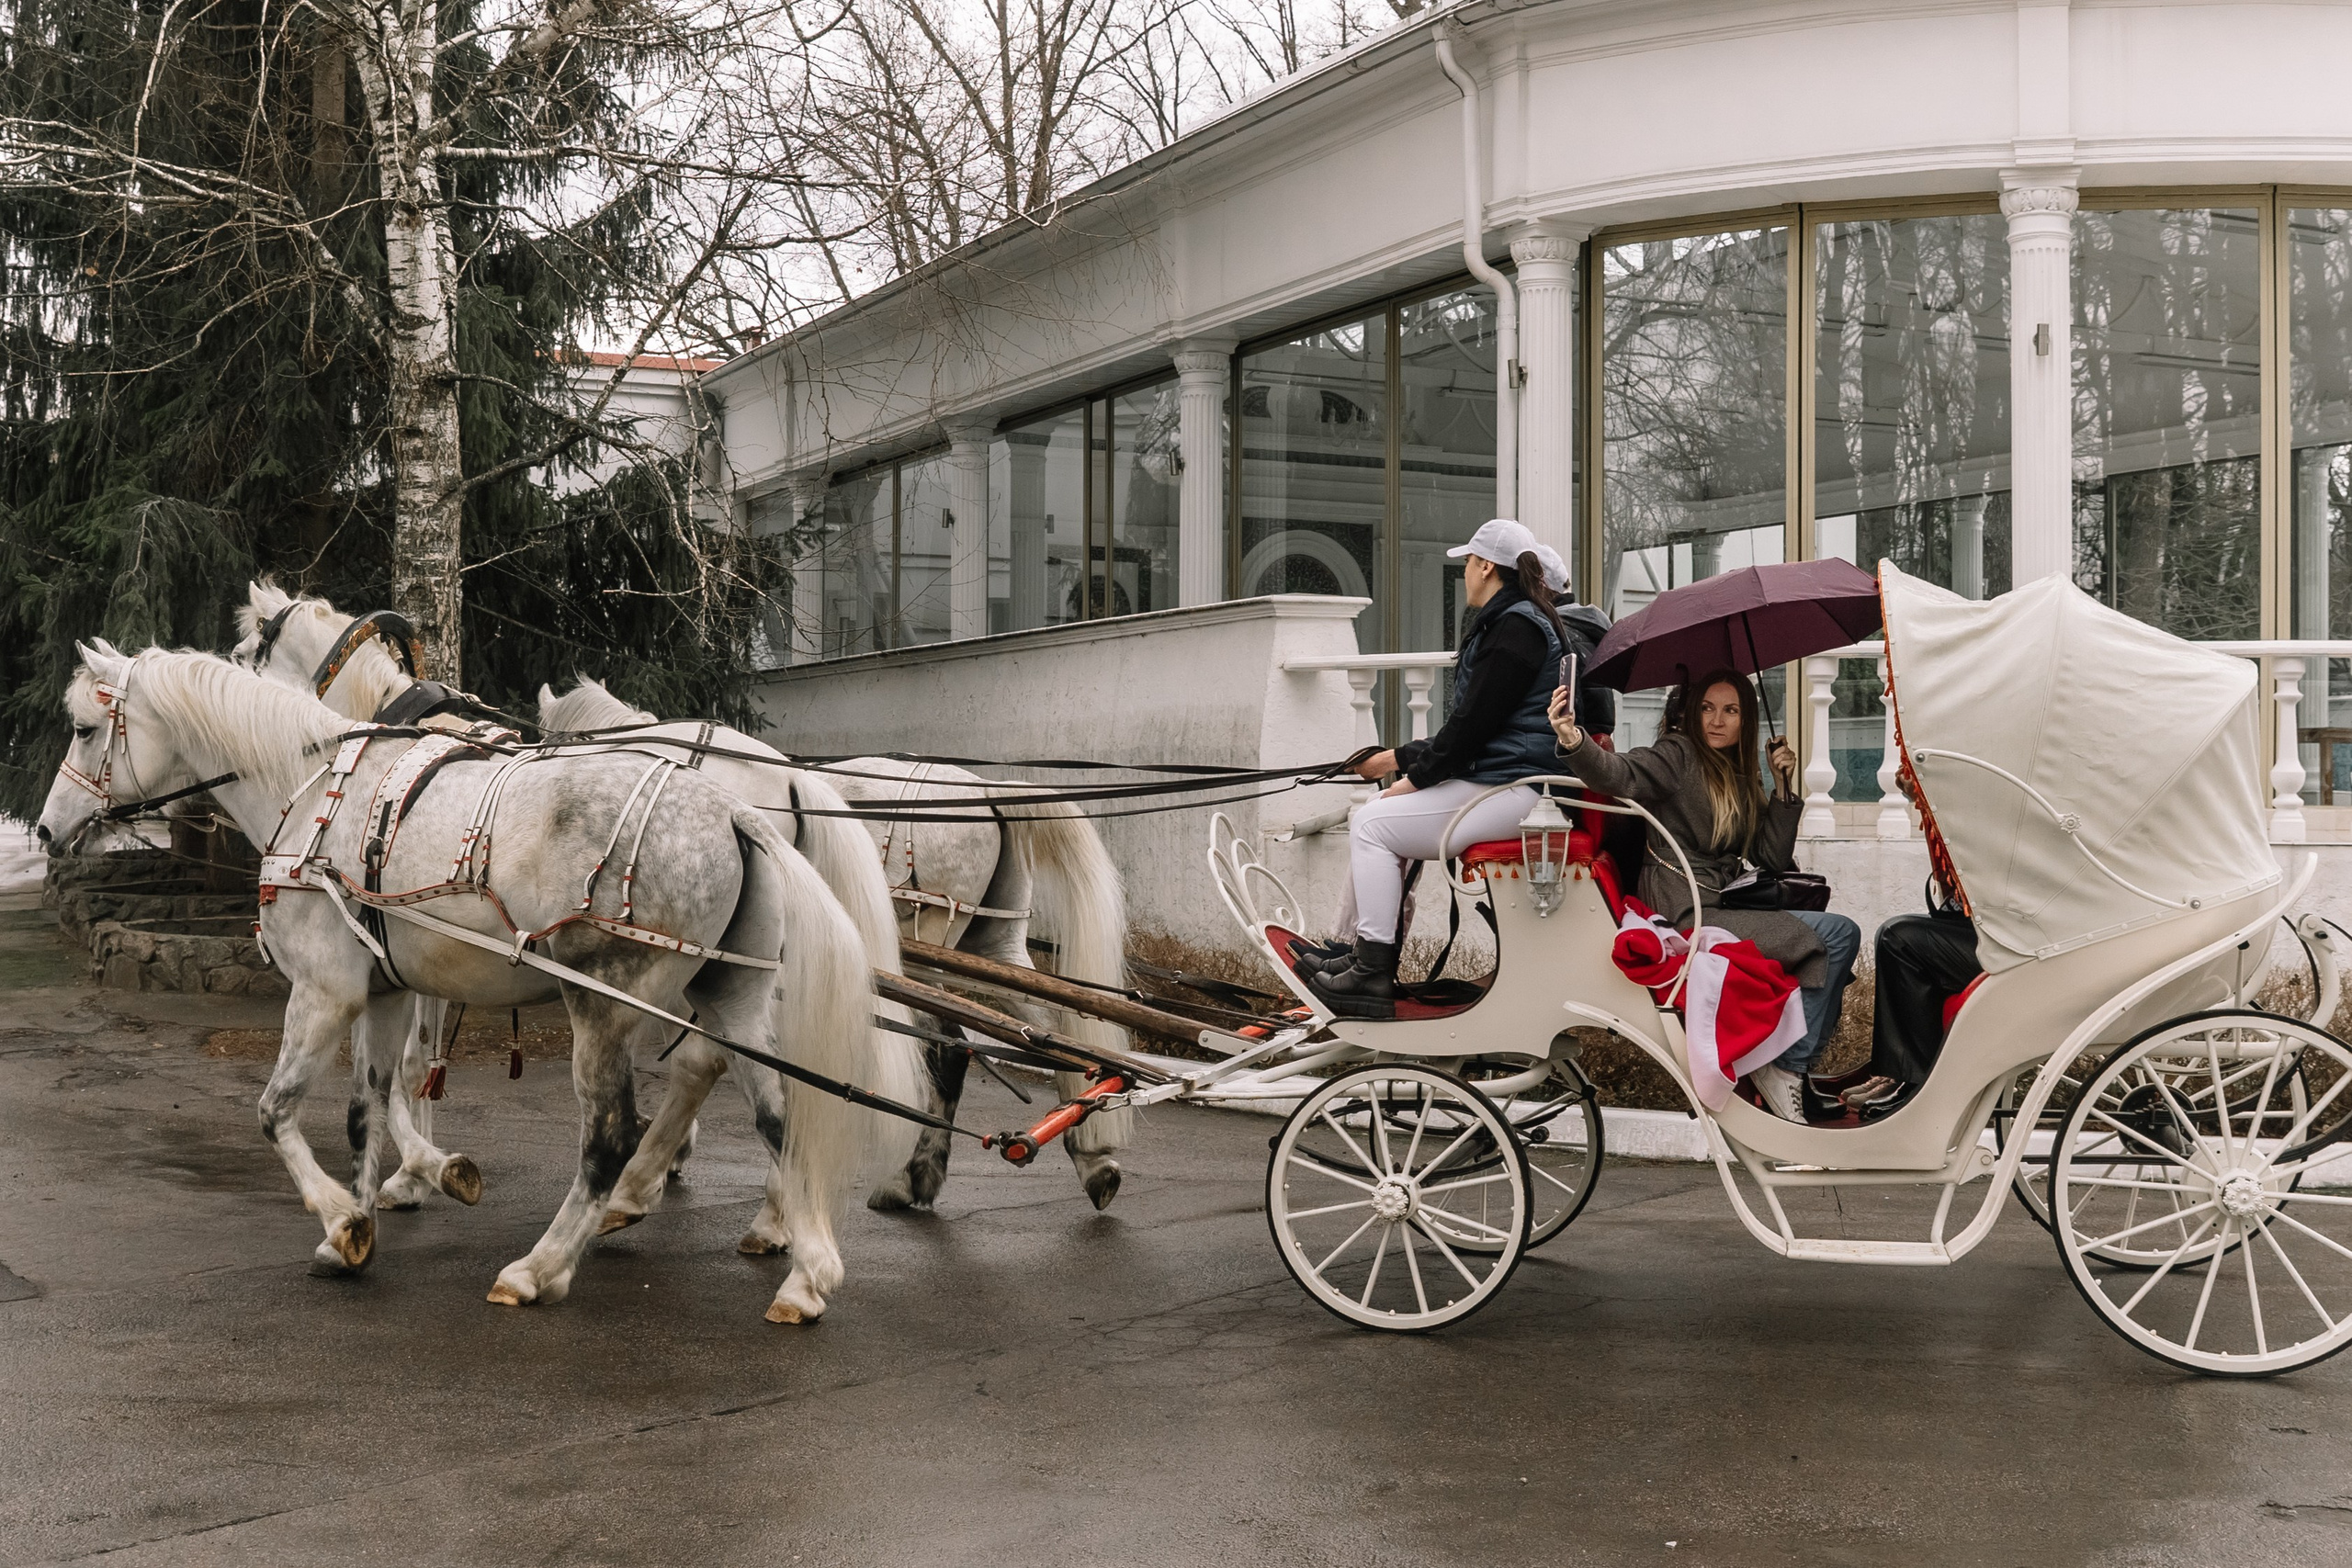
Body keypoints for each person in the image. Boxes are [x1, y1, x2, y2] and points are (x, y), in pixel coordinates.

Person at [1304, 519, 1600, 1019]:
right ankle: (1360, 953)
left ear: (1487, 566)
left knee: (1372, 824)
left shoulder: (1516, 626)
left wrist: (1413, 778)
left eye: (1468, 562)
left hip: (1520, 791)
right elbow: (1474, 725)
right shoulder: (1517, 620)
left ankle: (1371, 973)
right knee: (1375, 813)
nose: (1464, 572)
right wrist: (1403, 763)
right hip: (1510, 782)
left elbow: (1470, 728)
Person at [1547, 671, 1860, 1122]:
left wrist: (1782, 786)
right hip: (1685, 911)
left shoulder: (1736, 769)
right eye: (1708, 708)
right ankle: (1785, 1069)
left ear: (1745, 720)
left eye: (1730, 711)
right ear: (1692, 713)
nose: (1717, 720)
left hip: (1724, 903)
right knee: (1835, 935)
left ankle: (1793, 1073)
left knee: (1835, 938)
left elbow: (1770, 856)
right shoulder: (1677, 754)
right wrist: (1573, 739)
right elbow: (1621, 774)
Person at [1835, 776, 1981, 1114]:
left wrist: (1932, 797)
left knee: (1899, 939)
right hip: (1986, 926)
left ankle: (1912, 1080)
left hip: (2017, 940)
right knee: (1899, 936)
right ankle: (1898, 1070)